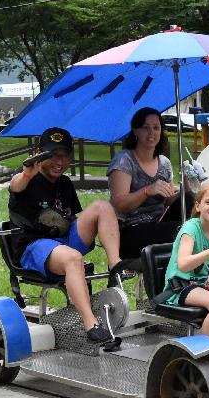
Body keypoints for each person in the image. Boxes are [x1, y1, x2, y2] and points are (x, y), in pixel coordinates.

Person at [9, 127, 123, 343]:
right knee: (73, 258)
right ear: (39, 153)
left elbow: (72, 219)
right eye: (52, 155)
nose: (59, 161)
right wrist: (26, 173)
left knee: (102, 206)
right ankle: (91, 324)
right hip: (35, 245)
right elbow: (15, 186)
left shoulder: (64, 183)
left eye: (64, 155)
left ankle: (115, 268)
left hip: (63, 239)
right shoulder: (27, 179)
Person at [107, 107, 194, 260]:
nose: (151, 133)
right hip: (131, 231)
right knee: (182, 231)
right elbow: (118, 205)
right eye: (146, 128)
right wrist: (147, 190)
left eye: (156, 128)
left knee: (190, 199)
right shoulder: (124, 161)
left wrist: (185, 189)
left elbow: (167, 200)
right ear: (135, 131)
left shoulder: (164, 163)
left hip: (159, 223)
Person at [161, 182, 209, 337]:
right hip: (180, 285)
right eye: (208, 202)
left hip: (204, 283)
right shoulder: (190, 228)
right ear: (198, 206)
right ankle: (201, 350)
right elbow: (183, 264)